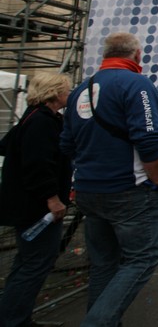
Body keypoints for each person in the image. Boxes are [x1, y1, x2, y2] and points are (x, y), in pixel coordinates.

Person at [60, 32, 158, 326]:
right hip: (129, 190)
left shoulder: (80, 89)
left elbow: (66, 144)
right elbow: (149, 139)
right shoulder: (136, 84)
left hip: (88, 189)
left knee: (104, 263)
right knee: (141, 259)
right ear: (137, 55)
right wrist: (157, 182)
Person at [0, 73, 72, 327]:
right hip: (36, 207)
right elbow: (37, 165)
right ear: (55, 92)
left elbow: (7, 145)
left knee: (28, 261)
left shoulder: (35, 118)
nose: (69, 94)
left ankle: (14, 316)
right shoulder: (41, 122)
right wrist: (52, 198)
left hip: (28, 204)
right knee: (36, 262)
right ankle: (14, 320)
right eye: (66, 90)